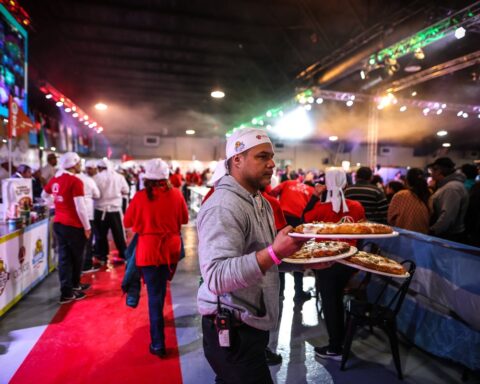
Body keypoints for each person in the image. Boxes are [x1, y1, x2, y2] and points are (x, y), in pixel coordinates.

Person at [197, 128, 317, 384]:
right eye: (262, 156)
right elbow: (216, 277)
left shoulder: (258, 200)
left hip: (252, 323)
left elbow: (264, 259)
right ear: (237, 159)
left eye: (271, 156)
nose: (272, 163)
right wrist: (274, 252)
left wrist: (308, 263)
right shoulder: (223, 206)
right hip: (233, 330)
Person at [124, 158, 188, 357]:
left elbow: (128, 221)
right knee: (159, 291)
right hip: (171, 251)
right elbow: (184, 219)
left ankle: (158, 344)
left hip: (149, 251)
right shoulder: (177, 194)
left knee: (154, 297)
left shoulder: (141, 196)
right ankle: (158, 334)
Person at [303, 168, 366, 360]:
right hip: (349, 261)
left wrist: (315, 196)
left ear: (326, 185)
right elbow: (362, 234)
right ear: (346, 184)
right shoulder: (357, 206)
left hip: (326, 262)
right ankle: (341, 344)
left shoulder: (320, 208)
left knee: (331, 304)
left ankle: (335, 347)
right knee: (338, 301)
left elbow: (303, 220)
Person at [42, 152, 91, 304]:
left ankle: (72, 287)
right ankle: (68, 292)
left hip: (59, 223)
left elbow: (44, 194)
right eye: (78, 163)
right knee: (75, 258)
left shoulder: (56, 179)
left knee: (65, 258)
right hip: (73, 225)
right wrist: (87, 227)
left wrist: (56, 204)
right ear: (74, 164)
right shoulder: (75, 181)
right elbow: (80, 208)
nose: (80, 165)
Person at [270, 174, 314, 301]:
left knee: (279, 253)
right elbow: (311, 209)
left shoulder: (288, 183)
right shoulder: (311, 190)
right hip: (298, 221)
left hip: (282, 219)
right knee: (298, 255)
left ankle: (279, 292)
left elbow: (272, 193)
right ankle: (298, 293)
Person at [94, 159, 130, 264]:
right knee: (119, 234)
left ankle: (102, 257)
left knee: (101, 235)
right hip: (115, 210)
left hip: (100, 210)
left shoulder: (96, 178)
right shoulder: (119, 177)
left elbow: (94, 194)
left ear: (100, 168)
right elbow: (126, 190)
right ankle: (124, 255)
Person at [428, 157, 469, 242]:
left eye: (431, 171)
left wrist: (433, 231)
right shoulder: (449, 185)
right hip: (449, 234)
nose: (431, 174)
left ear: (439, 171)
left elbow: (447, 216)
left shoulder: (451, 188)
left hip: (449, 236)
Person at [388, 168, 430, 234]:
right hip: (423, 237)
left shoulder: (401, 195)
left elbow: (390, 219)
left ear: (407, 180)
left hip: (403, 236)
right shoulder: (429, 194)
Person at [77, 161, 101, 273]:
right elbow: (97, 195)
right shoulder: (88, 180)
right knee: (87, 240)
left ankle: (77, 267)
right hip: (87, 213)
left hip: (73, 215)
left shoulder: (68, 178)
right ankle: (86, 265)